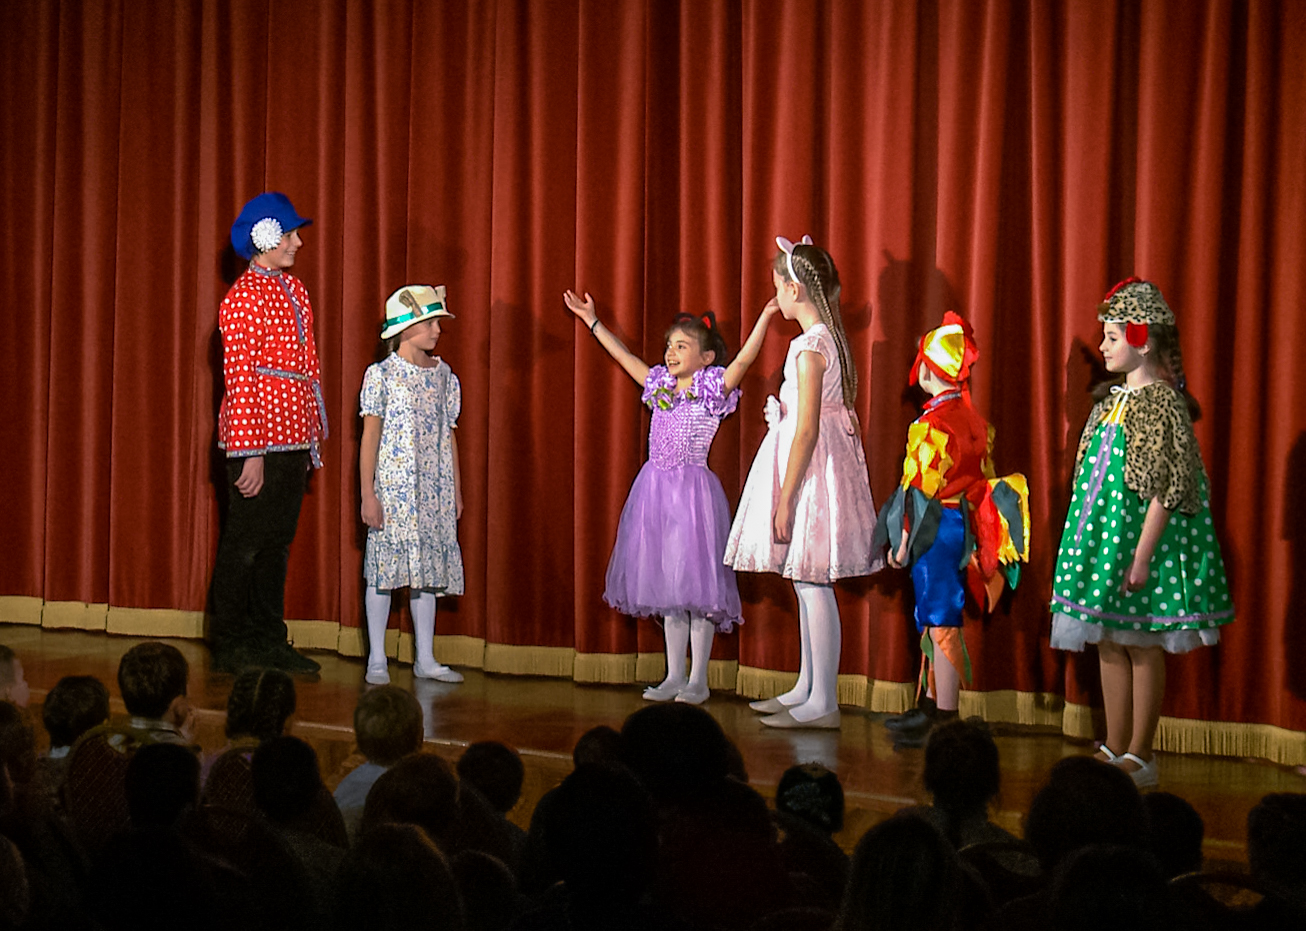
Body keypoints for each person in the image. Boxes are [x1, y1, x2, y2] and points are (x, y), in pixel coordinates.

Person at [1049, 278, 1234, 788]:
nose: (1103, 346)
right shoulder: (1110, 403)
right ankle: (1114, 743)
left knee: (1142, 644)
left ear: (1143, 341)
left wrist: (1143, 555)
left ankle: (1141, 751)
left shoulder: (1163, 404)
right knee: (1109, 641)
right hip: (1105, 543)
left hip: (1139, 543)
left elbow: (1169, 486)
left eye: (1112, 337)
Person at [564, 288, 777, 705]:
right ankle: (675, 674)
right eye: (669, 346)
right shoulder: (660, 385)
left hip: (693, 497)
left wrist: (766, 316)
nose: (671, 352)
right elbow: (625, 358)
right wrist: (593, 322)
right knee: (668, 589)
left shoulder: (712, 389)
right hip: (655, 493)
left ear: (706, 358)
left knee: (698, 591)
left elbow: (744, 361)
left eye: (682, 346)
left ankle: (698, 679)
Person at [725, 236, 881, 728]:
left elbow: (808, 428)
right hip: (818, 464)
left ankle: (824, 701)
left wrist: (786, 498)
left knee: (812, 583)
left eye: (778, 287)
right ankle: (807, 686)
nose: (777, 295)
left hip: (812, 473)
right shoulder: (826, 339)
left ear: (794, 290)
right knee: (804, 580)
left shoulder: (810, 347)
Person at [874, 312, 1029, 747]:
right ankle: (929, 705)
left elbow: (917, 490)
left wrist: (902, 543)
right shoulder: (973, 420)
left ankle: (944, 714)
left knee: (940, 620)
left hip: (936, 529)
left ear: (928, 370)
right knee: (934, 616)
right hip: (961, 525)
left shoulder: (931, 426)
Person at [210, 191, 327, 675]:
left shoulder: (295, 290)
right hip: (255, 440)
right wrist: (251, 452)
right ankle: (229, 642)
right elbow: (240, 379)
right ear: (265, 238)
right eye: (290, 234)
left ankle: (267, 639)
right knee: (244, 545)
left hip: (292, 438)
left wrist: (309, 436)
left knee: (276, 544)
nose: (298, 242)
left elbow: (307, 368)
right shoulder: (241, 299)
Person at [360, 284, 465, 686]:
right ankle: (377, 658)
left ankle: (426, 657)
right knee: (384, 571)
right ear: (405, 328)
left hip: (433, 489)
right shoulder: (382, 375)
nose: (438, 330)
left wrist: (455, 489)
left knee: (426, 573)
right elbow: (371, 436)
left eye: (438, 322)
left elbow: (448, 434)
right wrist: (368, 493)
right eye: (430, 322)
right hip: (394, 490)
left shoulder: (443, 376)